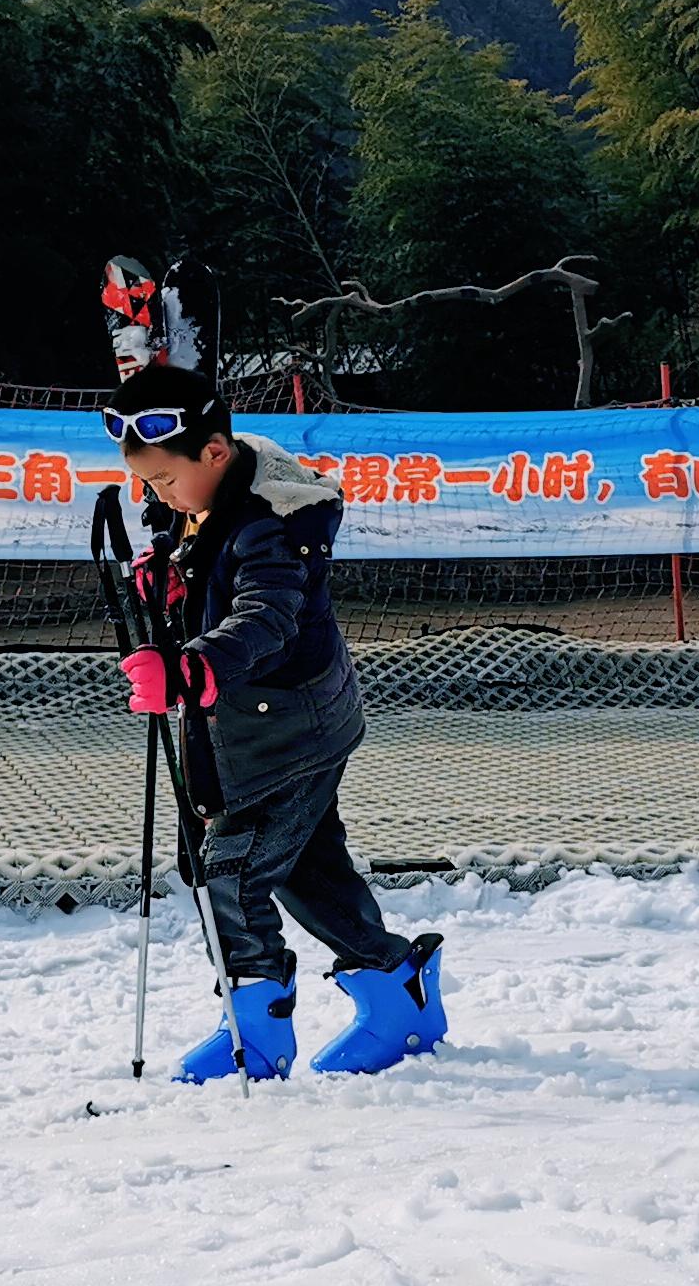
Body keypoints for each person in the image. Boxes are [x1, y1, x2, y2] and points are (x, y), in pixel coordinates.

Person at [105, 364, 448, 1079]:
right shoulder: (205, 488)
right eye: (148, 484)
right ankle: (399, 992)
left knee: (225, 867)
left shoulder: (276, 524)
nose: (158, 496)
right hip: (254, 720)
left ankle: (255, 1027)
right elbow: (192, 539)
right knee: (302, 867)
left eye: (166, 482)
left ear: (216, 454)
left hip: (291, 725)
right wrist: (166, 559)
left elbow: (268, 615)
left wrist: (190, 667)